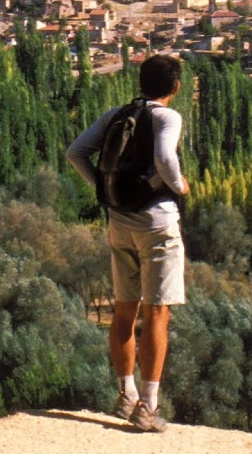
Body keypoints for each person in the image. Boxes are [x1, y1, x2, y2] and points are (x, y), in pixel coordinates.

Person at [65, 53, 190, 433]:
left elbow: (76, 153)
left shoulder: (116, 114)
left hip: (119, 223)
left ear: (141, 82)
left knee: (123, 311)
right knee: (157, 313)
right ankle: (149, 407)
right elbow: (166, 157)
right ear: (175, 87)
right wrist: (181, 185)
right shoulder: (168, 116)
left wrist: (105, 191)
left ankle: (126, 396)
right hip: (158, 223)